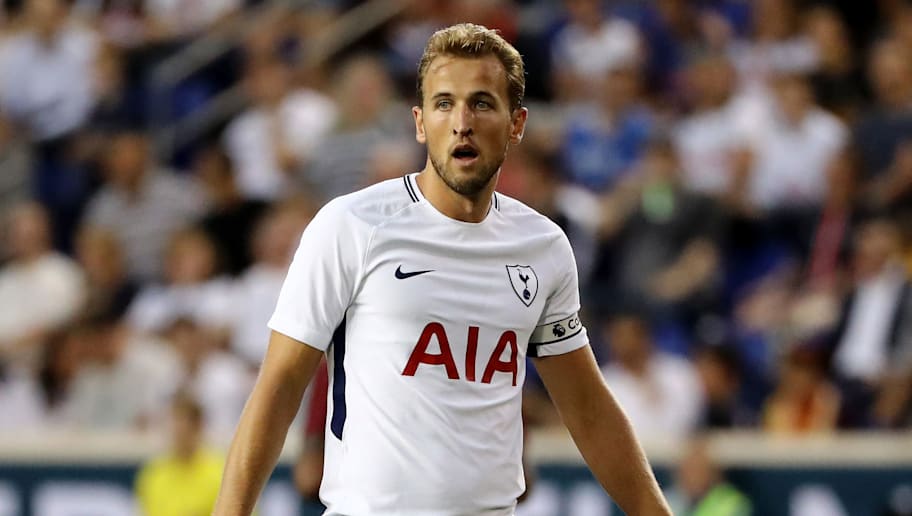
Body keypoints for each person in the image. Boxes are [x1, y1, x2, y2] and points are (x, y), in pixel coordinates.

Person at [213, 23, 671, 516]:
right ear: (419, 122)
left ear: (516, 124)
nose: (461, 122)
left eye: (482, 103)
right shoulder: (351, 225)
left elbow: (588, 409)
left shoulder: (544, 248)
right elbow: (279, 388)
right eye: (444, 103)